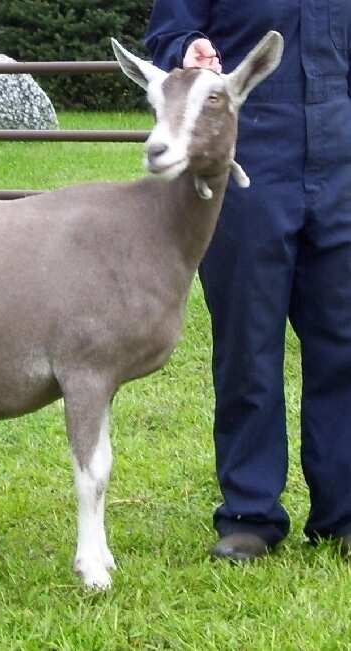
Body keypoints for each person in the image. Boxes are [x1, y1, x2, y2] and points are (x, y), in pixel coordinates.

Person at [145, 2, 351, 560]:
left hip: (342, 161)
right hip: (247, 158)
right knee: (247, 345)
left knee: (343, 344)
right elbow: (169, 31)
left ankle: (343, 515)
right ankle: (250, 516)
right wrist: (185, 50)